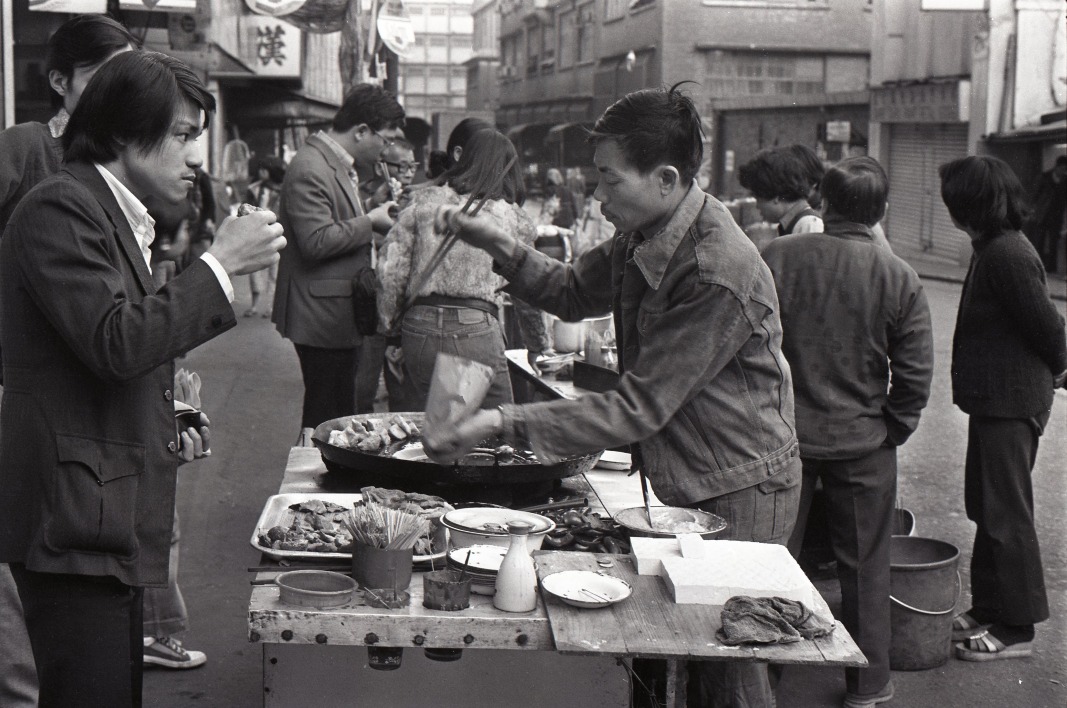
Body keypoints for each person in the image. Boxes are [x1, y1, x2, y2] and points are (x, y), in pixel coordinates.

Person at [421, 85, 801, 708]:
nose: (598, 195)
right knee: (669, 644)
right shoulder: (646, 231)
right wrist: (494, 240)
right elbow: (571, 291)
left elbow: (637, 409)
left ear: (666, 177)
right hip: (687, 471)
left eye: (609, 179)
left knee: (728, 659)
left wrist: (495, 421)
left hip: (740, 484)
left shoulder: (713, 268)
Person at [0, 49, 285, 708]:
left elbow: (101, 355)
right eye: (183, 135)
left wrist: (166, 419)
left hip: (104, 516)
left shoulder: (114, 215)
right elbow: (115, 343)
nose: (195, 158)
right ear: (126, 132)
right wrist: (218, 266)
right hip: (68, 524)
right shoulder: (60, 207)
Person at [763, 156, 934, 708]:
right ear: (881, 211)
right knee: (865, 567)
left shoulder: (777, 257)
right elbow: (914, 374)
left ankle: (762, 677)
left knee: (773, 562)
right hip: (863, 442)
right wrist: (893, 429)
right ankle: (868, 682)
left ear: (823, 202)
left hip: (783, 439)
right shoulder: (897, 275)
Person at [0, 16, 135, 706]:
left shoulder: (115, 157)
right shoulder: (26, 147)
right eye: (102, 73)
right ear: (59, 82)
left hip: (87, 375)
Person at [938, 156, 1067, 662]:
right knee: (986, 506)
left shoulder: (1007, 253)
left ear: (967, 206)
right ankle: (992, 604)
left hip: (1012, 403)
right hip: (997, 400)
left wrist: (1061, 368)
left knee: (1006, 514)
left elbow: (1047, 326)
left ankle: (1017, 628)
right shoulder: (992, 247)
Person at [376, 128, 550, 410]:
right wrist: (538, 346)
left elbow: (390, 268)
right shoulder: (513, 216)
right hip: (476, 329)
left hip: (418, 328)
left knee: (427, 433)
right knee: (495, 434)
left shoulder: (424, 200)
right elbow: (527, 291)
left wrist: (390, 328)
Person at [271, 83, 404, 434]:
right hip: (321, 315)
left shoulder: (335, 163)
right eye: (386, 139)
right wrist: (370, 221)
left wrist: (372, 202)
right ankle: (315, 484)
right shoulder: (310, 166)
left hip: (335, 309)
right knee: (326, 415)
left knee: (334, 409)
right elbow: (314, 240)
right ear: (361, 131)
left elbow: (335, 214)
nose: (386, 150)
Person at [355, 137, 418, 412]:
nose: (408, 172)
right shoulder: (365, 196)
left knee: (401, 388)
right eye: (401, 166)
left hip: (403, 305)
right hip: (371, 299)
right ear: (383, 167)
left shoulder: (418, 196)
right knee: (363, 384)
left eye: (412, 165)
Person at [738, 147, 824, 236]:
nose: (757, 206)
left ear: (776, 196)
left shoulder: (808, 225)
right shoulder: (796, 223)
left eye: (758, 199)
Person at [244, 155, 286, 317]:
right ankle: (254, 305)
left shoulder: (281, 190)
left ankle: (270, 306)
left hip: (275, 232)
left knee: (274, 271)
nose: (260, 172)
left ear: (271, 172)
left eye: (264, 169)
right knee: (254, 269)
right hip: (256, 233)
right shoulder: (254, 189)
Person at [1028, 154, 1067, 273]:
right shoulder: (1044, 177)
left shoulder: (1065, 180)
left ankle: (1051, 268)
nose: (1064, 171)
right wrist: (1033, 209)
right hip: (1043, 214)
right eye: (1063, 169)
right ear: (1057, 166)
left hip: (1056, 215)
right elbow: (1034, 195)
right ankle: (1037, 266)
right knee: (1038, 240)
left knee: (1053, 241)